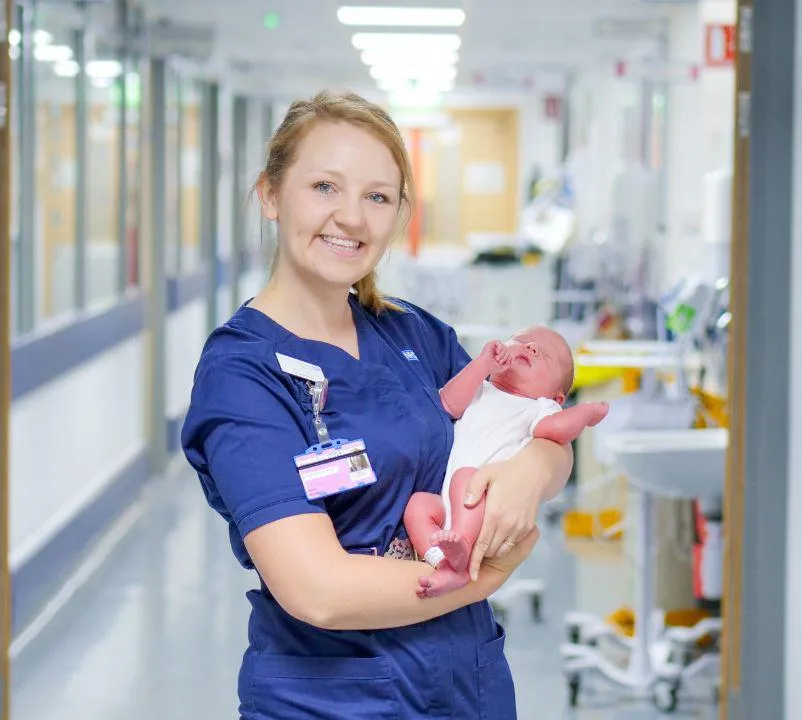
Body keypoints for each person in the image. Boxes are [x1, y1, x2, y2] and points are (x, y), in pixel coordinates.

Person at [180, 89, 585, 720]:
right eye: (324, 186)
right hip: (332, 699)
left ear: (399, 213)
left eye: (377, 197)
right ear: (270, 194)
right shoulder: (243, 374)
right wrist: (488, 577)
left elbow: (532, 427)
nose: (351, 218)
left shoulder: (413, 335)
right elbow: (319, 591)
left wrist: (535, 466)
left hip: (464, 687)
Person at [404, 326, 609, 599]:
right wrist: (483, 364)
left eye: (544, 354)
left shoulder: (539, 407)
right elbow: (448, 402)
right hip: (446, 502)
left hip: (485, 497)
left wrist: (585, 413)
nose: (530, 347)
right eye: (521, 341)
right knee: (418, 505)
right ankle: (441, 561)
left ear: (557, 397)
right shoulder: (481, 388)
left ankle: (461, 550)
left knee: (466, 478)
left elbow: (556, 430)